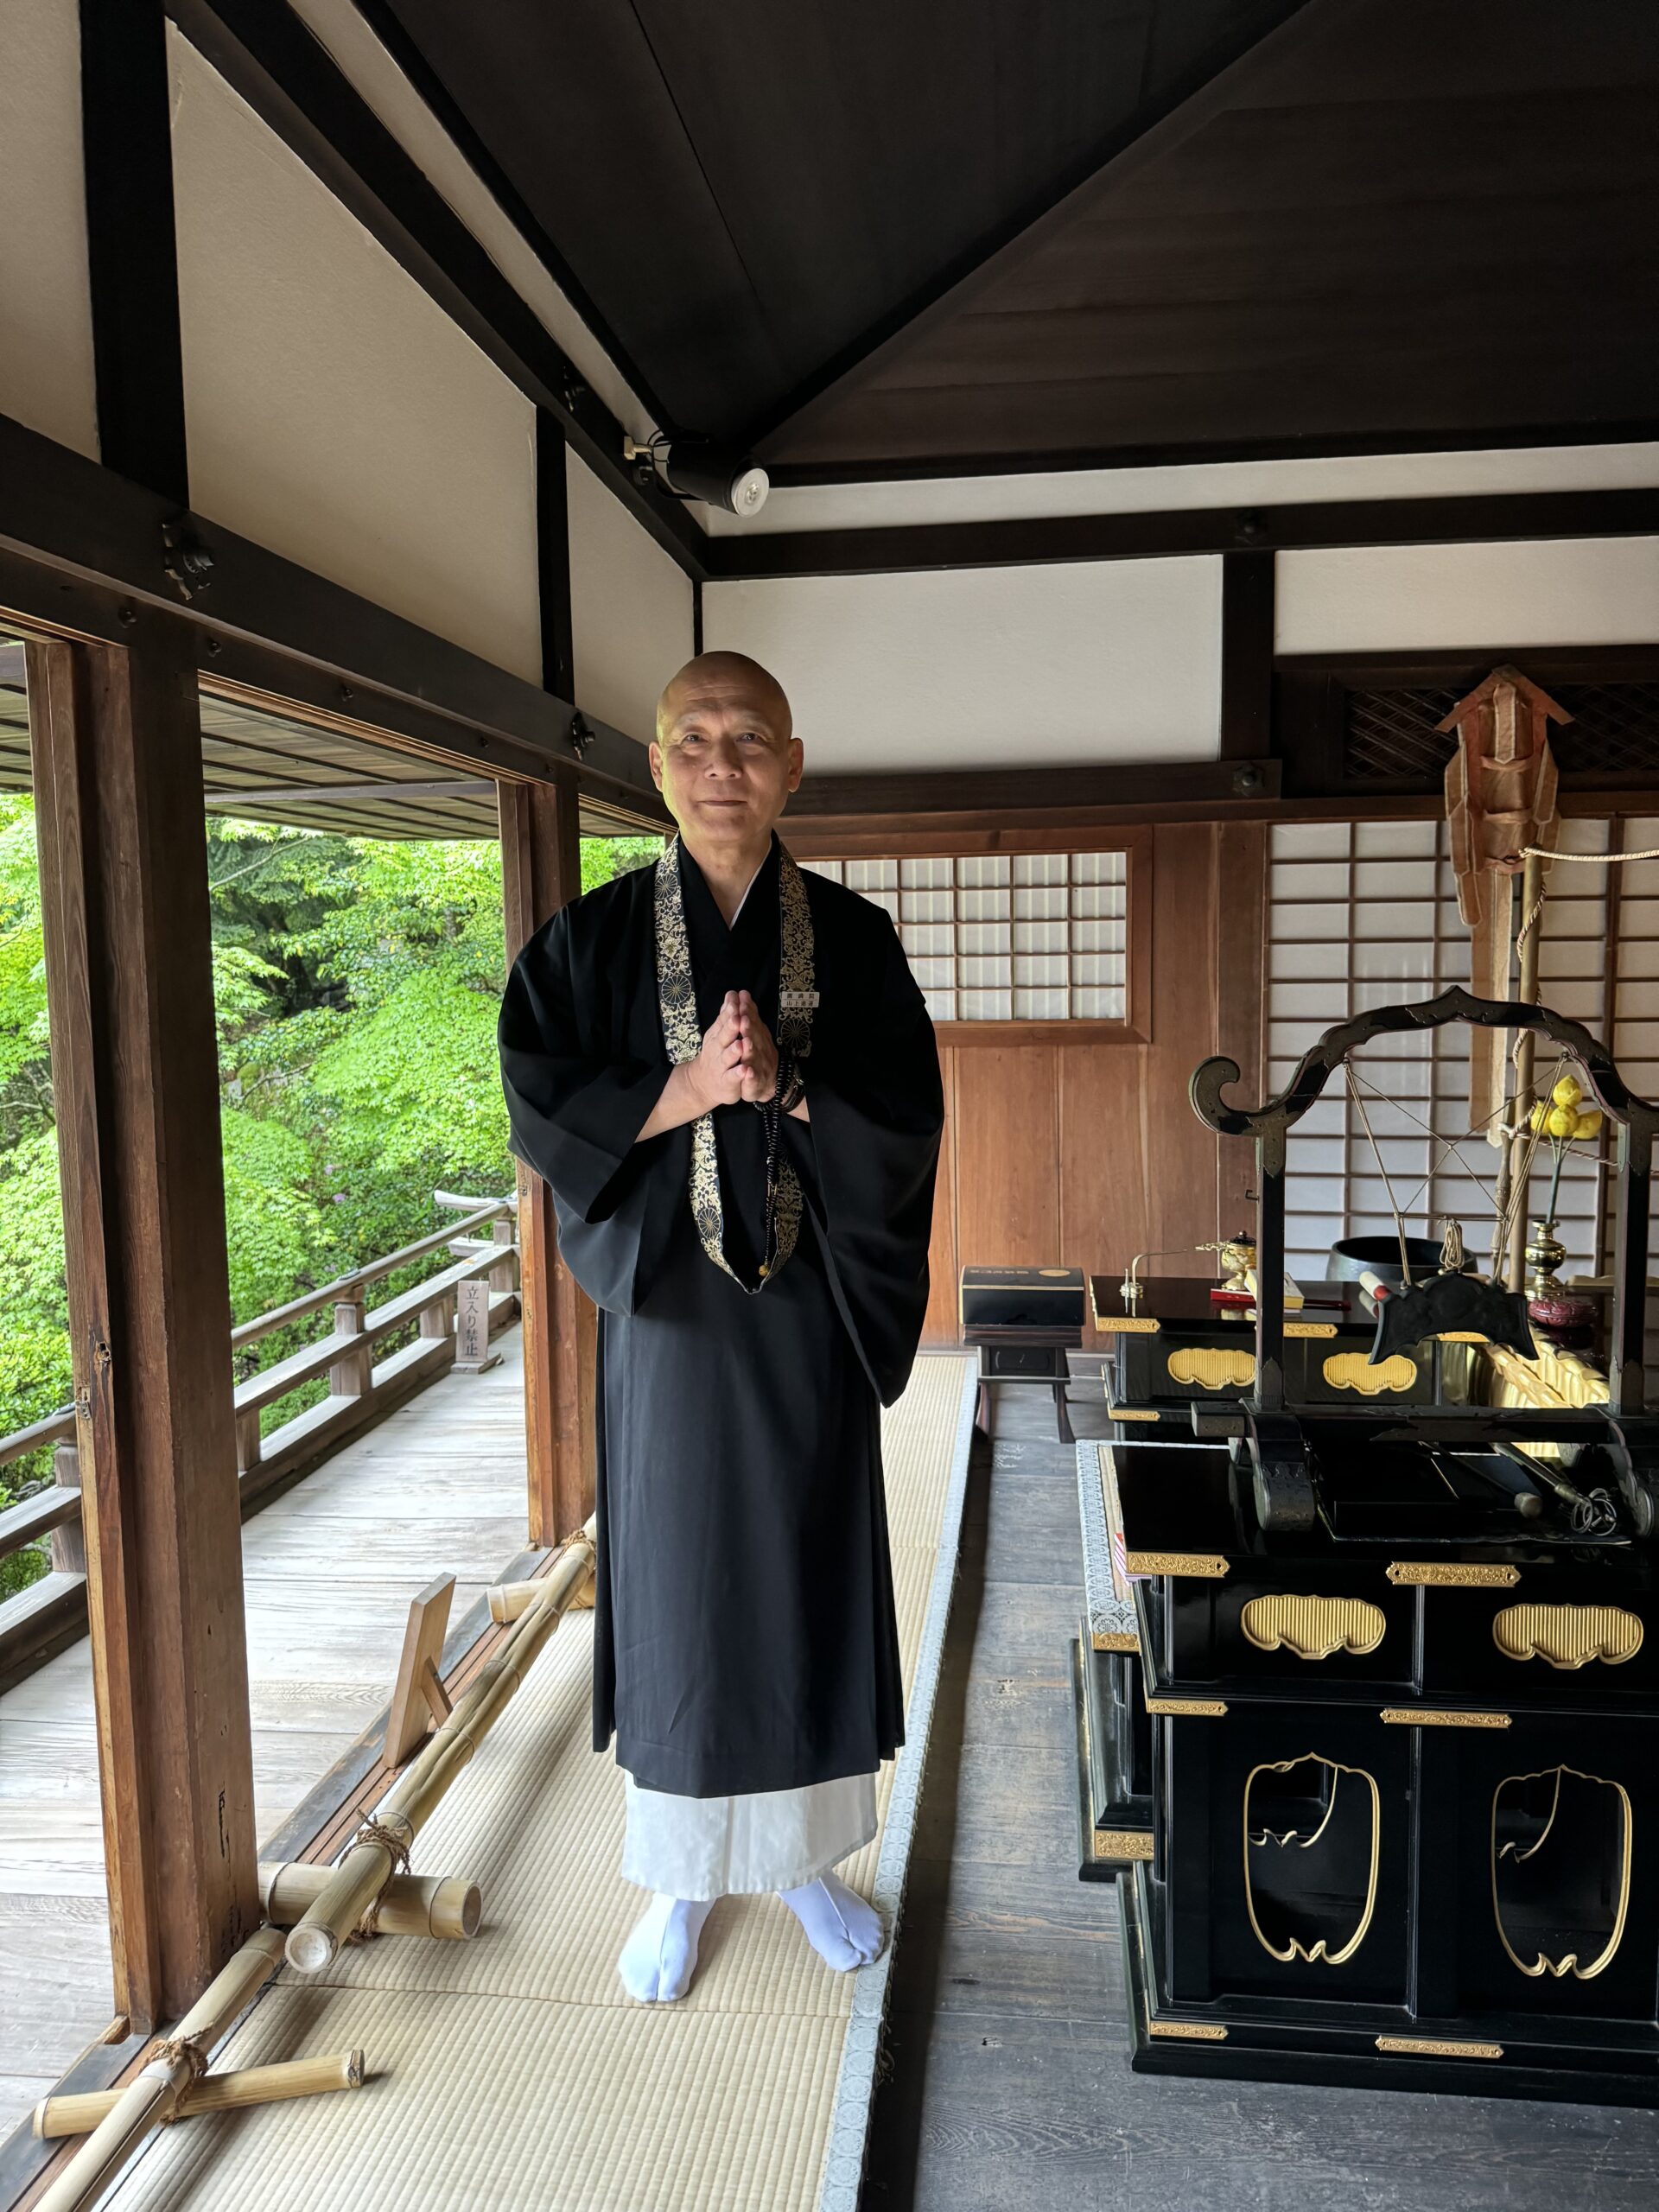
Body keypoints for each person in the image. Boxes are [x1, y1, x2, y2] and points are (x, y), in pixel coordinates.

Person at [498, 651, 943, 2002]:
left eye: (750, 739)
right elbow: (540, 1098)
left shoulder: (853, 941)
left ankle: (807, 1866)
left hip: (806, 1324)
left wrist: (799, 1099)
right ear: (656, 765)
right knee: (689, 1597)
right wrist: (686, 1087)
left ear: (793, 763)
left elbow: (910, 1117)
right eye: (694, 739)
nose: (722, 765)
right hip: (675, 1332)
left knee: (800, 1585)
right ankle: (681, 1882)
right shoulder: (592, 939)